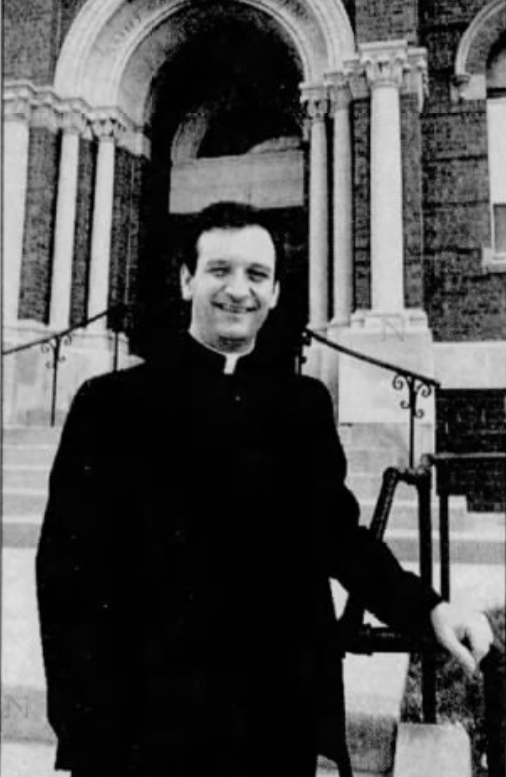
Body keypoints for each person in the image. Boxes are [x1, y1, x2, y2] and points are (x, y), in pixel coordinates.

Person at [36, 201, 493, 777]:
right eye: (219, 270)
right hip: (148, 725)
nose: (237, 291)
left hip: (274, 718)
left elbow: (339, 539)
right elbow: (65, 574)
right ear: (186, 279)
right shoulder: (109, 406)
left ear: (275, 292)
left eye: (256, 275)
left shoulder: (302, 407)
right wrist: (82, 728)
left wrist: (430, 609)